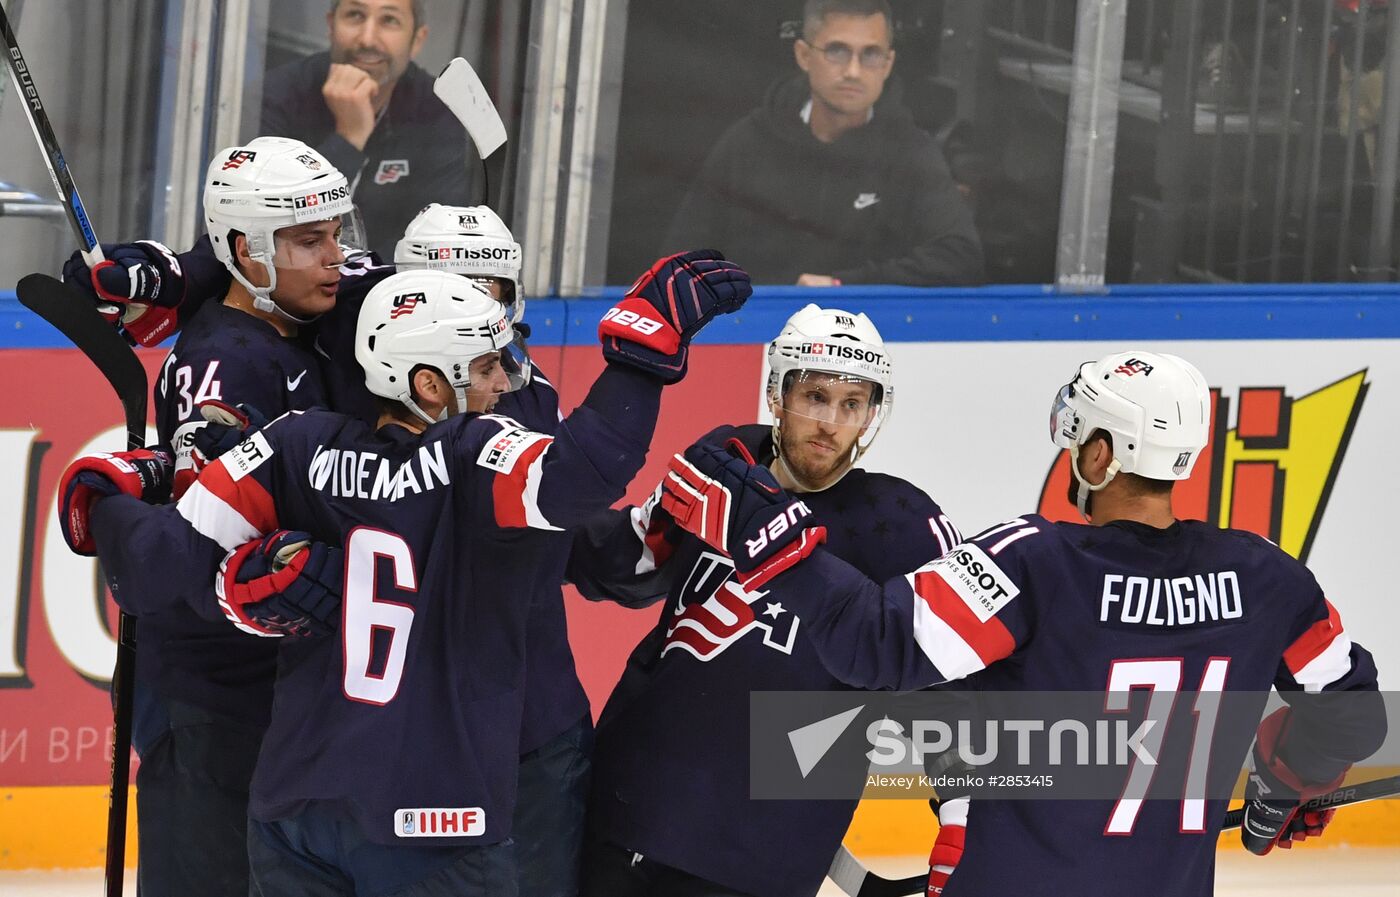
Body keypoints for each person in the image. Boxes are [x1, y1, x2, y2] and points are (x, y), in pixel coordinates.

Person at [57, 252, 751, 896]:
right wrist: (644, 344)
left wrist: (114, 497)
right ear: (428, 383)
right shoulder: (474, 458)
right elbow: (585, 471)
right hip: (437, 825)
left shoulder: (293, 444)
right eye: (484, 368)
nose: (504, 382)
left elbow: (158, 566)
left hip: (298, 811)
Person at [661, 350, 1386, 895]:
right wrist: (1289, 777)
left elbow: (870, 645)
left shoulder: (1036, 562)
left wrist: (762, 525)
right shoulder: (1264, 577)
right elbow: (1353, 717)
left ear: (1100, 454)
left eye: (1081, 437)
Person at [567, 305, 964, 897]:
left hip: (761, 849)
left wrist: (960, 815)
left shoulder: (903, 524)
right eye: (815, 396)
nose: (830, 423)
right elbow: (624, 568)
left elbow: (951, 688)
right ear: (777, 395)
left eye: (851, 404)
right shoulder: (726, 461)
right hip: (634, 800)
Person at [57, 134, 364, 897]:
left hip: (272, 686)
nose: (336, 257)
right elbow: (206, 544)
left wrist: (181, 269)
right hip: (212, 693)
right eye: (308, 240)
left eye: (336, 233)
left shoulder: (292, 316)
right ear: (246, 252)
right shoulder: (231, 362)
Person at [662, 0, 983, 287]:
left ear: (887, 64)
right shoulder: (748, 142)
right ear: (804, 55)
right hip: (757, 338)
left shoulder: (912, 151)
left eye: (870, 54)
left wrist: (844, 286)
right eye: (837, 51)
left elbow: (961, 260)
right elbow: (679, 267)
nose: (853, 71)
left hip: (867, 340)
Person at [261, 0, 473, 257]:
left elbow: (438, 238)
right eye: (355, 15)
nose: (368, 39)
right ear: (331, 25)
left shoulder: (438, 111)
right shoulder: (279, 94)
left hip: (394, 287)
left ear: (417, 40)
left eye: (389, 20)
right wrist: (349, 138)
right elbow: (273, 225)